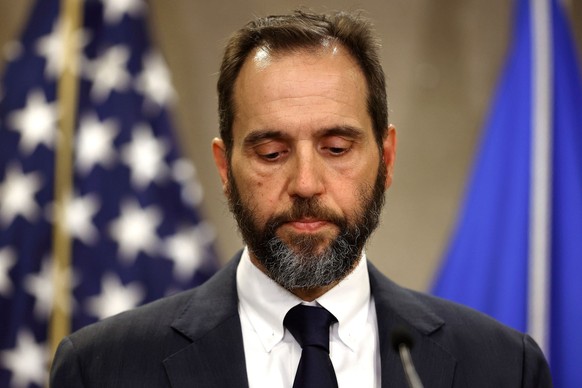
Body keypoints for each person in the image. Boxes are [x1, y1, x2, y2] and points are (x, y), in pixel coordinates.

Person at [50, 10, 552, 387]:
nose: (306, 183)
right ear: (225, 169)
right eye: (271, 152)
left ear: (388, 158)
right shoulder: (102, 370)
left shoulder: (504, 367)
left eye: (336, 148)